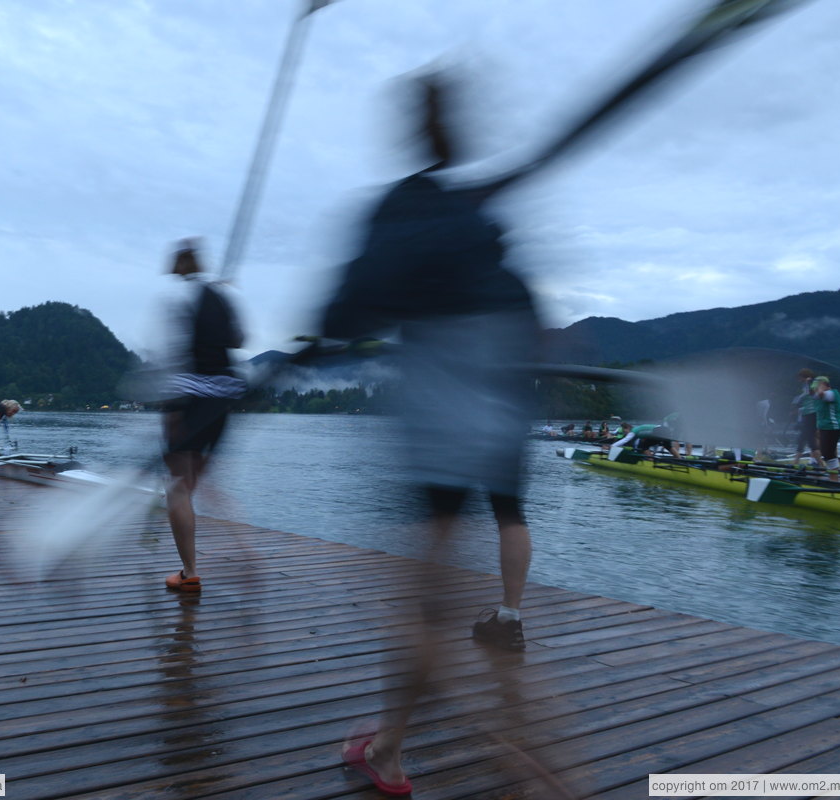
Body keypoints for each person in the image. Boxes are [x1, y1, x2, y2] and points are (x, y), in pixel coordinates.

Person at [321, 73, 539, 795]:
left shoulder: (407, 204)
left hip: (444, 408)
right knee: (440, 582)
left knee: (421, 595)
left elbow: (355, 302)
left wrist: (330, 329)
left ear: (417, 128)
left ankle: (517, 751)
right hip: (502, 407)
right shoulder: (485, 226)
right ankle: (391, 744)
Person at [158, 239, 245, 593]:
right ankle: (245, 550)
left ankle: (189, 571)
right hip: (225, 399)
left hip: (188, 398)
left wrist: (171, 410)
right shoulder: (221, 296)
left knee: (178, 486)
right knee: (201, 482)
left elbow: (173, 355)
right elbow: (238, 339)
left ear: (180, 266)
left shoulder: (180, 298)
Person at [811, 376, 840, 475]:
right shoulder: (819, 397)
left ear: (825, 385)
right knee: (828, 450)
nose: (815, 389)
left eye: (817, 387)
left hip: (834, 427)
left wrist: (821, 385)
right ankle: (833, 470)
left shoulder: (832, 393)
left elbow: (821, 394)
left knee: (828, 454)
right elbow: (820, 414)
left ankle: (834, 479)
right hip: (825, 428)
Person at [791, 368, 820, 468]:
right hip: (808, 413)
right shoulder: (807, 384)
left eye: (800, 378)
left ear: (804, 377)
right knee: (805, 437)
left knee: (808, 438)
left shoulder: (810, 383)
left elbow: (809, 395)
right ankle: (796, 462)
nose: (799, 380)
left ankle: (821, 463)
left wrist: (796, 402)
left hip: (811, 414)